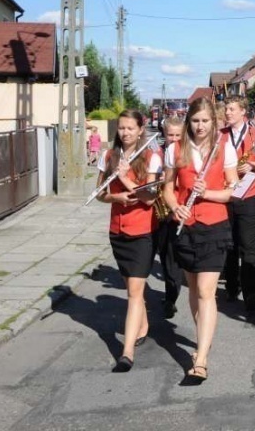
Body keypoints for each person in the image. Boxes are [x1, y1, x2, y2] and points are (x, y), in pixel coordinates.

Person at [162, 97, 239, 383]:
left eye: (206, 121)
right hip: (184, 226)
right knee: (193, 290)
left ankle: (201, 358)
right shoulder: (175, 149)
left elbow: (231, 191)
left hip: (214, 226)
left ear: (214, 122)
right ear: (188, 122)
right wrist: (174, 207)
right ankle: (203, 337)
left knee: (207, 292)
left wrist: (206, 192)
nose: (200, 126)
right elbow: (168, 189)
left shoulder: (224, 148)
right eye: (195, 121)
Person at [95, 110, 161, 373]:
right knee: (133, 288)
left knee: (134, 291)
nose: (125, 133)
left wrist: (124, 177)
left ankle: (127, 351)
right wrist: (115, 198)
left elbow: (149, 198)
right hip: (117, 231)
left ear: (140, 129)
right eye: (121, 128)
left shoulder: (151, 156)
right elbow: (100, 193)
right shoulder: (109, 156)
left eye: (130, 128)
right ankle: (143, 326)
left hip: (143, 231)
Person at [221, 95, 255, 313]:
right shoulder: (219, 136)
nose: (227, 113)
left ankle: (252, 294)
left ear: (243, 111)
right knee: (229, 244)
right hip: (226, 194)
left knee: (247, 246)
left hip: (249, 194)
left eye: (232, 109)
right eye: (226, 109)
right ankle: (232, 286)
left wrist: (252, 165)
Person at [154, 116, 185, 319]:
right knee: (164, 256)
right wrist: (158, 179)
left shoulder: (186, 153)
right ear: (164, 135)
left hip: (179, 210)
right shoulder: (156, 154)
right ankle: (169, 294)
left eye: (177, 135)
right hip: (160, 211)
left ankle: (171, 297)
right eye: (170, 135)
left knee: (175, 260)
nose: (173, 139)